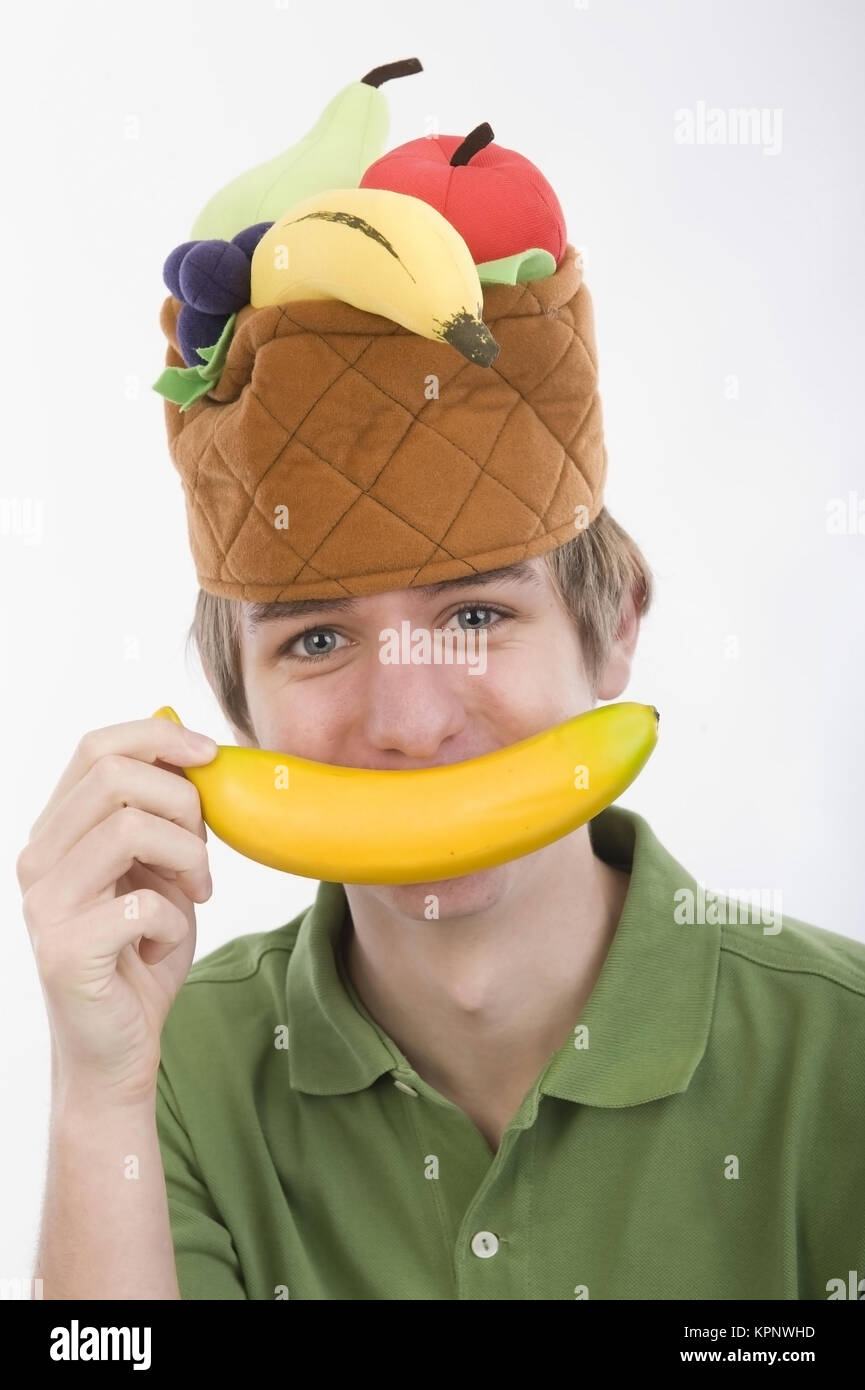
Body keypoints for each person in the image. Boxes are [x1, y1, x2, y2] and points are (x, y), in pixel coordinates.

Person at [19, 107, 865, 1302]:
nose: (410, 721)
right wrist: (95, 1092)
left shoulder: (844, 1057)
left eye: (474, 615)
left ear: (615, 622)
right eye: (317, 637)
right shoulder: (170, 1064)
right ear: (235, 703)